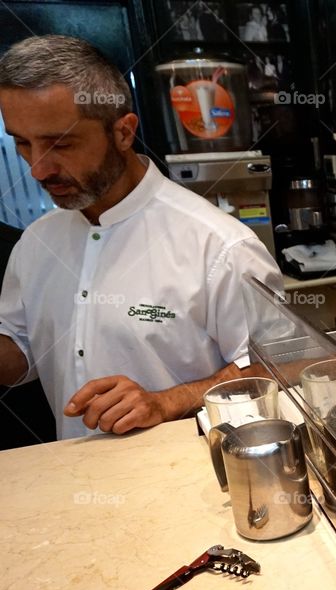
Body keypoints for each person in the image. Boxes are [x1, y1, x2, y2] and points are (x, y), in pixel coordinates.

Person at [0, 35, 284, 440]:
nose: (38, 170)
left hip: (187, 481)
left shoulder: (220, 246)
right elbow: (20, 357)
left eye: (61, 144)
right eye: (22, 143)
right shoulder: (34, 243)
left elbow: (275, 367)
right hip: (69, 479)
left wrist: (166, 401)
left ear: (123, 132)